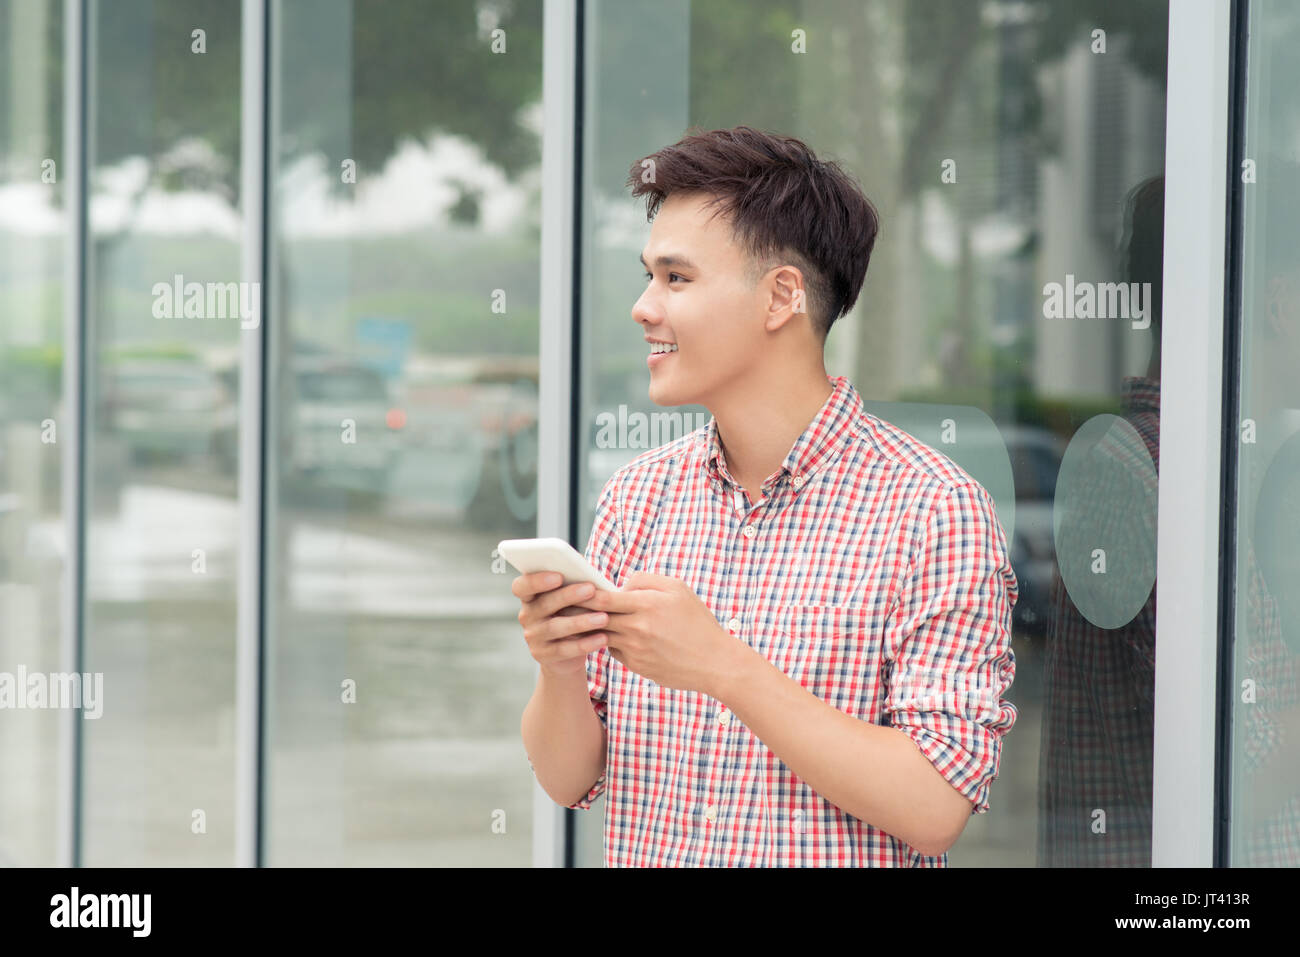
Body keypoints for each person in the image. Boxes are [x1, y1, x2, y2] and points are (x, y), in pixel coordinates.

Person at [517, 125, 1018, 867]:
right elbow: (571, 779)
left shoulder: (933, 510)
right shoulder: (639, 497)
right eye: (648, 276)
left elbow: (936, 804)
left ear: (782, 295)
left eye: (675, 278)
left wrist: (722, 665)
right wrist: (558, 667)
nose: (643, 307)